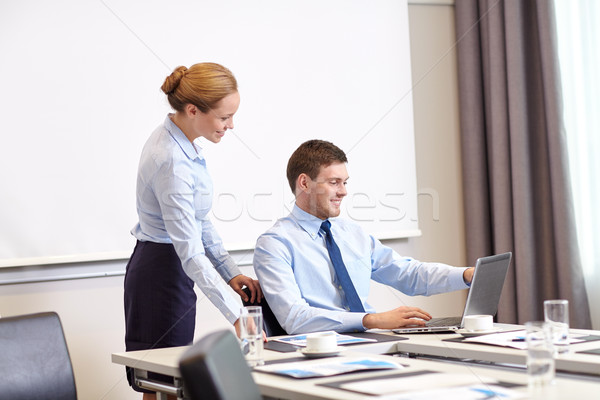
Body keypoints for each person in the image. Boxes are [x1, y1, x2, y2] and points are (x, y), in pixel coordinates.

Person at [124, 62, 262, 398]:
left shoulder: (183, 141)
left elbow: (198, 220)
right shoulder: (171, 159)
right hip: (161, 272)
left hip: (171, 266)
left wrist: (229, 272)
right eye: (224, 117)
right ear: (192, 110)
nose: (231, 125)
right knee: (162, 383)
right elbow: (190, 252)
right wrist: (237, 317)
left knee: (171, 382)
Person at [253, 139, 474, 334]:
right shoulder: (275, 244)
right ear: (304, 183)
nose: (343, 191)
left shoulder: (353, 234)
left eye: (345, 182)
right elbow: (295, 318)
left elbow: (408, 273)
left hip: (373, 341)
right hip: (323, 351)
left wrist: (466, 275)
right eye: (334, 182)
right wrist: (373, 320)